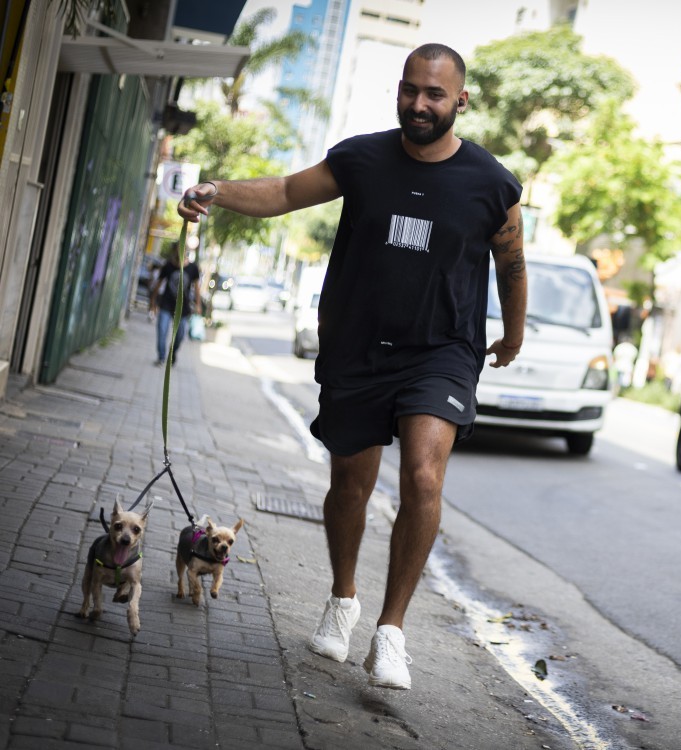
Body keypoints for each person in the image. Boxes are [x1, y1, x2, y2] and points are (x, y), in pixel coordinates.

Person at [177, 43, 526, 691]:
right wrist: (216, 191)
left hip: (441, 350)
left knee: (423, 475)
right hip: (357, 345)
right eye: (409, 90)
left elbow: (511, 261)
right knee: (350, 483)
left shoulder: (492, 182)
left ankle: (390, 632)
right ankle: (342, 600)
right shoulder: (361, 158)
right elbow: (283, 191)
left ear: (461, 101)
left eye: (434, 95)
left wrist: (513, 331)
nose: (419, 104)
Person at [149, 243, 202, 366]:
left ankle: (172, 354)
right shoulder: (168, 266)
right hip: (166, 305)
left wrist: (198, 304)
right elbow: (158, 284)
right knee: (162, 330)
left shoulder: (193, 268)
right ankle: (162, 357)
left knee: (179, 336)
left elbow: (197, 288)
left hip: (183, 308)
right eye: (177, 251)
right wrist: (153, 302)